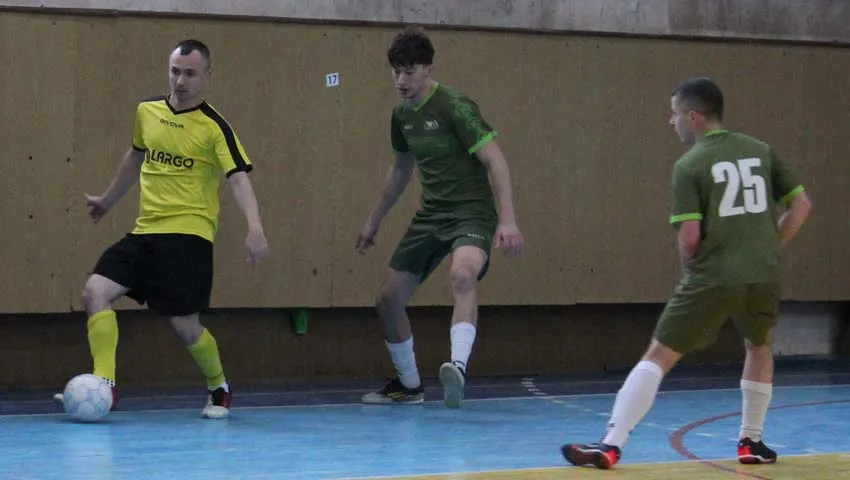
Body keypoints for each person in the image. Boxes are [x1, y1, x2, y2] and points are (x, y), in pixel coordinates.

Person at [562, 77, 812, 469]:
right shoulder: (761, 150)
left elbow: (690, 237)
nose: (671, 121)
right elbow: (801, 205)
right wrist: (768, 248)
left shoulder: (690, 165)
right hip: (762, 275)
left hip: (713, 274)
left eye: (675, 114)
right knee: (759, 347)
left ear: (693, 117)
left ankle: (610, 443)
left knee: (658, 355)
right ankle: (751, 441)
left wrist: (691, 272)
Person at [54, 39, 269, 419]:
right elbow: (136, 157)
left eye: (190, 74)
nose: (181, 81)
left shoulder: (215, 127)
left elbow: (238, 179)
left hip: (189, 234)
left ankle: (219, 388)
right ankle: (105, 385)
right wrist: (108, 200)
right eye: (175, 72)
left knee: (185, 325)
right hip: (145, 232)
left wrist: (255, 227)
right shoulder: (147, 111)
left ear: (207, 75)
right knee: (95, 292)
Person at [355, 26, 524, 408]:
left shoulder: (455, 106)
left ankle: (457, 368)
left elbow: (495, 160)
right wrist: (373, 221)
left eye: (409, 71)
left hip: (472, 213)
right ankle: (409, 386)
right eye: (396, 72)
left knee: (463, 274)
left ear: (428, 69)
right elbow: (401, 170)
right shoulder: (401, 115)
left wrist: (508, 220)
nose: (401, 81)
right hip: (432, 215)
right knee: (389, 299)